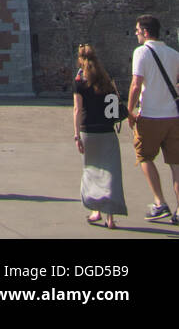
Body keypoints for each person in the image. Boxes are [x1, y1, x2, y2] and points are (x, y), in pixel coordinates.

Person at [127, 14, 179, 222]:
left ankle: (160, 203)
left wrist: (130, 111)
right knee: (176, 164)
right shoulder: (174, 54)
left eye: (138, 31)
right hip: (173, 116)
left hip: (149, 114)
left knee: (144, 157)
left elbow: (136, 85)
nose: (137, 34)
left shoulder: (141, 52)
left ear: (146, 32)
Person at [72, 43, 127, 228]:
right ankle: (110, 217)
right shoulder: (106, 80)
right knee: (111, 173)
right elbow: (113, 111)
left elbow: (77, 110)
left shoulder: (79, 82)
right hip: (107, 132)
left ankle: (95, 211)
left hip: (88, 131)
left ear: (80, 60)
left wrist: (76, 135)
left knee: (92, 172)